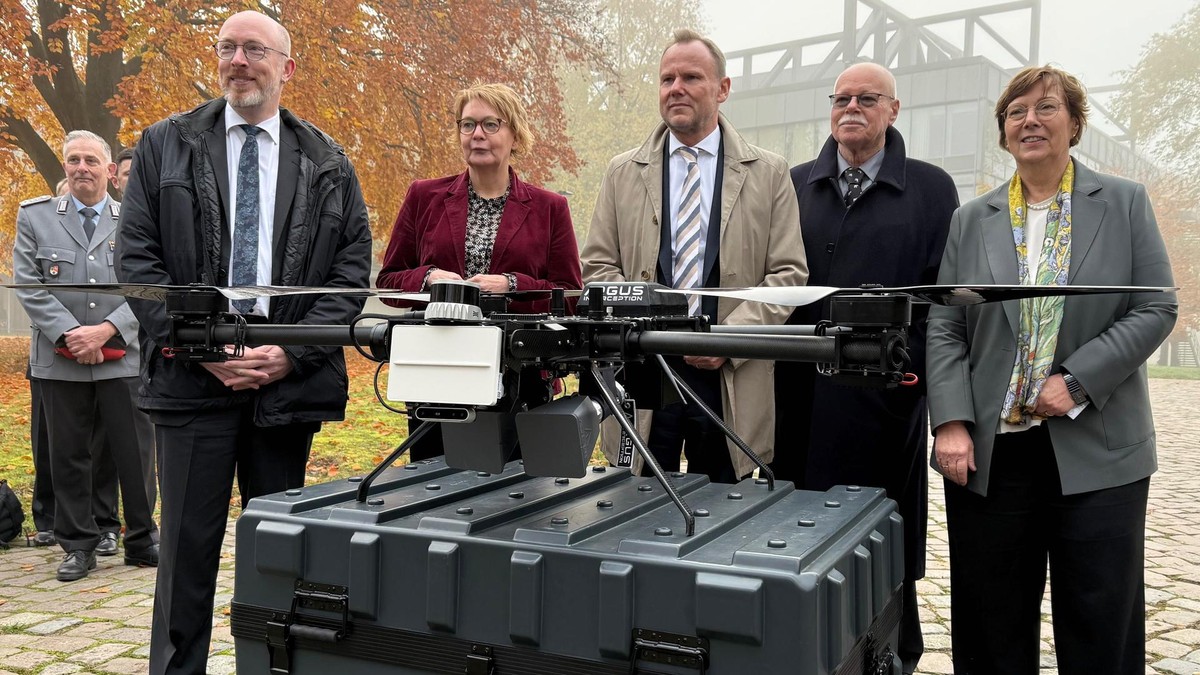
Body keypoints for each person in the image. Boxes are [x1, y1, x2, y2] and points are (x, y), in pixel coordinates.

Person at [115, 10, 372, 674]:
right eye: (227, 47)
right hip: (190, 385)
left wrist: (293, 351)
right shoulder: (163, 145)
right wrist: (203, 350)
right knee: (185, 558)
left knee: (280, 561)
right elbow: (138, 266)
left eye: (255, 49)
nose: (239, 60)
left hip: (286, 391)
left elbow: (349, 276)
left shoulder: (329, 160)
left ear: (286, 67)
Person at [926, 65, 1177, 674]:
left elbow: (1156, 305)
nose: (1029, 121)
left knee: (1100, 622)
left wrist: (1079, 381)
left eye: (1045, 108)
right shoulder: (972, 218)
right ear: (1004, 131)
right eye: (1015, 112)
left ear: (1075, 123)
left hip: (1098, 447)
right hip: (993, 452)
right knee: (990, 621)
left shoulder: (1122, 202)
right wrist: (951, 422)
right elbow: (944, 324)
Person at [772, 62, 958, 674]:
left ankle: (890, 651)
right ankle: (806, 646)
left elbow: (940, 300)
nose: (851, 107)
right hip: (800, 395)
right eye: (842, 98)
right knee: (798, 524)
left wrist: (918, 378)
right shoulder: (795, 183)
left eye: (867, 98)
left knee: (885, 531)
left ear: (893, 110)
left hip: (888, 398)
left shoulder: (932, 189)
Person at [580, 29, 807, 483]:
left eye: (691, 77)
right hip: (646, 369)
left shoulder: (769, 172)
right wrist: (643, 326)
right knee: (636, 507)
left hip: (729, 375)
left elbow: (789, 275)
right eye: (667, 79)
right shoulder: (622, 172)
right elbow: (597, 269)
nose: (675, 88)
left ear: (723, 89)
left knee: (727, 514)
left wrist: (725, 338)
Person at [376, 82, 582, 461]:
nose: (477, 135)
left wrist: (512, 285)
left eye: (491, 124)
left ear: (515, 135)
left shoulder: (550, 208)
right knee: (431, 488)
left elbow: (568, 296)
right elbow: (388, 283)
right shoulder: (424, 196)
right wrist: (427, 279)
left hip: (519, 377)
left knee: (512, 494)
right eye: (467, 125)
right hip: (434, 372)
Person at [13, 130, 159, 581]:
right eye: (73, 160)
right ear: (65, 167)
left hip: (122, 354)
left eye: (91, 161)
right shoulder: (36, 217)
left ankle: (141, 538)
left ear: (109, 170)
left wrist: (108, 329)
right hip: (61, 358)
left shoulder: (137, 216)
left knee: (135, 452)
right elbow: (28, 283)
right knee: (68, 453)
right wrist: (73, 334)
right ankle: (77, 545)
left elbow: (149, 283)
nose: (82, 168)